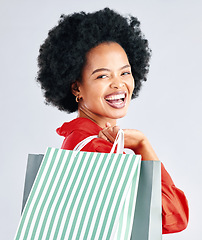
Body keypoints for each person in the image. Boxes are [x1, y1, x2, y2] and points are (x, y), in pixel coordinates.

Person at [37, 8, 189, 234]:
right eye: (102, 75)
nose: (119, 84)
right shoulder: (96, 149)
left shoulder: (77, 139)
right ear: (76, 87)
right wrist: (142, 146)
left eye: (125, 73)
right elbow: (172, 217)